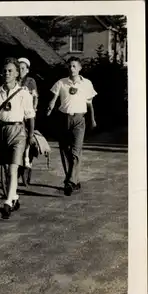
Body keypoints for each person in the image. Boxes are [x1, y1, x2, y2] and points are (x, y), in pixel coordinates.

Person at [0, 58, 36, 219]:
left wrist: (31, 135)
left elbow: (30, 116)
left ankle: (7, 203)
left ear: (17, 74)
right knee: (6, 169)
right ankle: (14, 197)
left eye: (10, 71)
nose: (7, 74)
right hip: (1, 131)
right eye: (5, 71)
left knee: (13, 168)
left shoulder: (24, 93)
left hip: (18, 131)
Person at [47, 56, 97, 196]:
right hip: (63, 119)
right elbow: (53, 99)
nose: (72, 69)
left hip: (79, 120)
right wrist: (50, 107)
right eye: (70, 66)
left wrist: (92, 120)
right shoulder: (61, 83)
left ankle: (69, 182)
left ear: (80, 68)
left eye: (74, 66)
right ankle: (74, 179)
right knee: (65, 150)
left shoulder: (87, 84)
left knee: (76, 151)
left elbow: (90, 104)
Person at [18, 57, 39, 184]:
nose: (20, 71)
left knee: (28, 136)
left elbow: (35, 96)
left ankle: (27, 159)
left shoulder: (30, 81)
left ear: (27, 70)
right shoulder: (13, 81)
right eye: (19, 68)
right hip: (16, 113)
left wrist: (34, 108)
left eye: (23, 68)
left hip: (28, 113)